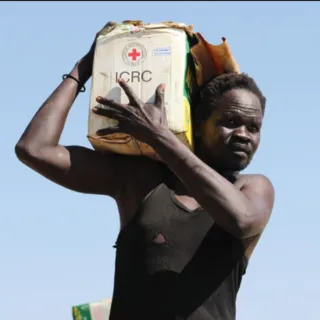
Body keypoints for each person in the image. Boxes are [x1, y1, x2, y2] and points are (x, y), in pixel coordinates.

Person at [15, 22, 275, 320]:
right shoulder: (142, 179)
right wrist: (84, 68)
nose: (243, 134)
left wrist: (160, 138)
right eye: (230, 122)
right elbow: (34, 149)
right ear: (199, 124)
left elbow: (241, 220)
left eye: (254, 127)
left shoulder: (253, 189)